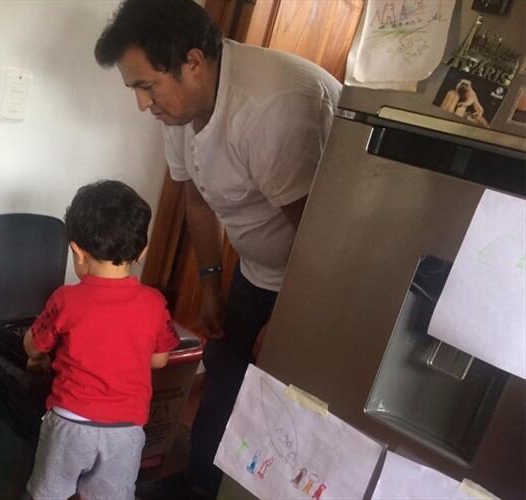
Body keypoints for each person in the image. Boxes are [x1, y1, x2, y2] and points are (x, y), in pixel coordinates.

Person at [94, 0, 341, 498]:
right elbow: (197, 197)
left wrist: (292, 318)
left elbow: (320, 235)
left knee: (283, 402)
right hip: (258, 266)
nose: (143, 104)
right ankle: (203, 483)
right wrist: (209, 284)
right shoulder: (182, 109)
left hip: (323, 279)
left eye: (147, 86)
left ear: (193, 63)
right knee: (227, 369)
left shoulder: (271, 110)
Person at [23, 180, 181, 500]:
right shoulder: (154, 302)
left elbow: (33, 345)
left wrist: (36, 359)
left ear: (77, 252)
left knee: (47, 494)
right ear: (142, 251)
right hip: (126, 431)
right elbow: (160, 359)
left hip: (70, 426)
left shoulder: (66, 299)